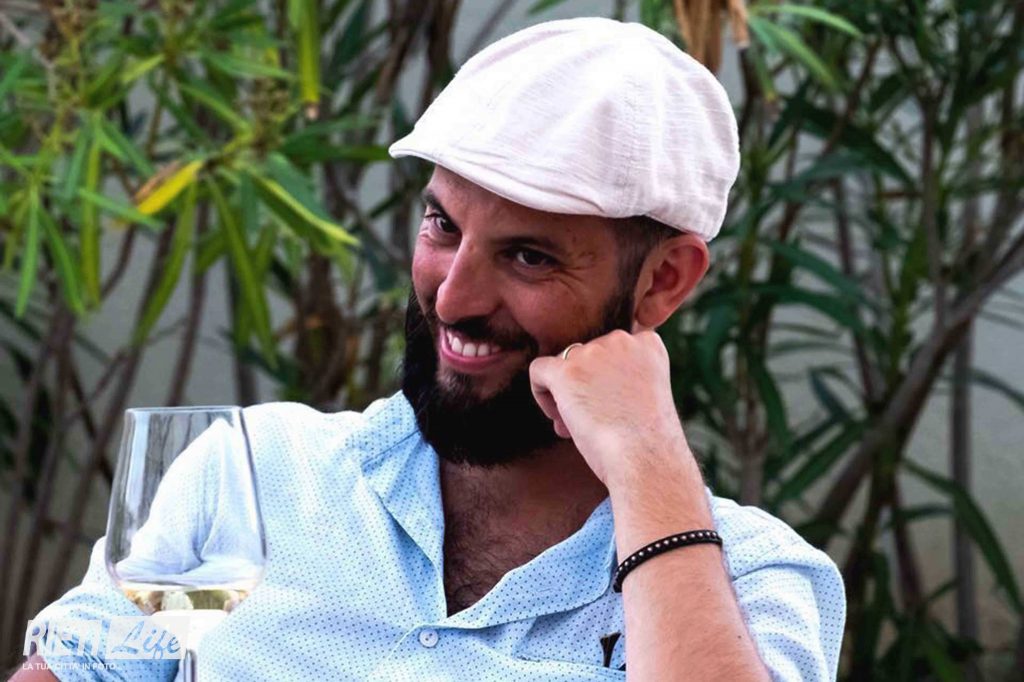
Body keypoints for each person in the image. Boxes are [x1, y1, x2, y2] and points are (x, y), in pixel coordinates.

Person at [12, 17, 844, 682]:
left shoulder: (749, 584)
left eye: (529, 256)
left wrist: (650, 463)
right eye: (442, 225)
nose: (452, 297)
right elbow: (83, 669)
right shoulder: (253, 474)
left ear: (663, 280)